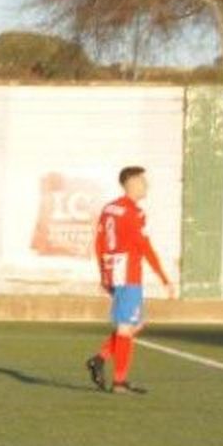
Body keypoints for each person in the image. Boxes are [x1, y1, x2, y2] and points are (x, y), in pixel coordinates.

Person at [86, 166, 175, 395]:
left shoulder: (109, 209)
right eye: (143, 181)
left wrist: (103, 273)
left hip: (114, 270)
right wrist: (164, 277)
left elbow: (99, 242)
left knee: (136, 323)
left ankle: (100, 359)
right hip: (128, 272)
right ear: (132, 182)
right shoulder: (133, 212)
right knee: (127, 327)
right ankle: (119, 381)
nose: (146, 185)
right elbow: (143, 246)